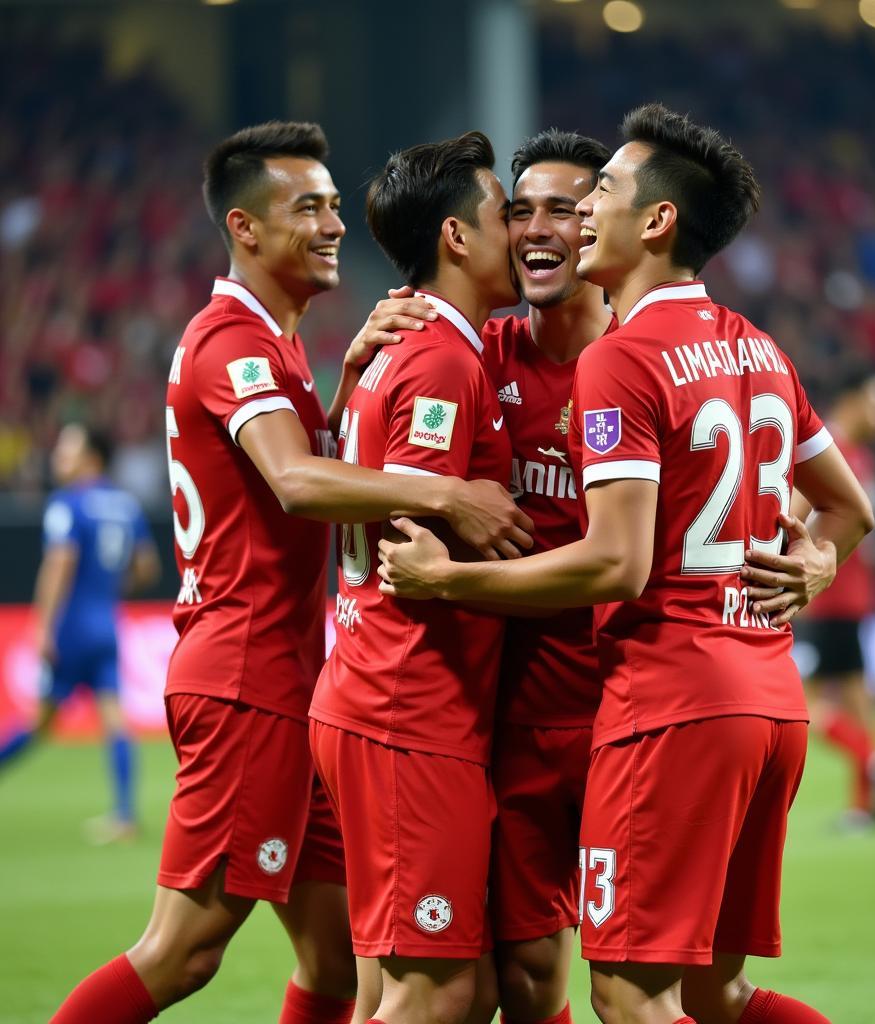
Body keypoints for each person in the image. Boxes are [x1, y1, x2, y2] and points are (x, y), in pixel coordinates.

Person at [377, 103, 875, 1024]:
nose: (544, 227)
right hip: (617, 704)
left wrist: (445, 578)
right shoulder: (743, 347)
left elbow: (617, 561)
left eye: (584, 199)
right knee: (657, 988)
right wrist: (814, 558)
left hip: (656, 700)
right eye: (517, 211)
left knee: (628, 992)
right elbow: (849, 508)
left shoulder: (625, 358)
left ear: (644, 221)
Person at [50, 121, 530, 1024]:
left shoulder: (276, 346)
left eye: (335, 206)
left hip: (300, 682)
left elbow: (303, 472)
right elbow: (299, 484)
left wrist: (345, 385)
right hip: (246, 676)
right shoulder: (231, 339)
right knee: (184, 949)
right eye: (305, 208)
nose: (332, 224)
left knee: (335, 965)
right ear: (244, 228)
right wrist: (451, 498)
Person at [308, 130, 521, 1024]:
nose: (523, 231)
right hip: (407, 707)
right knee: (434, 994)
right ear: (458, 238)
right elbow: (410, 536)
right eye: (505, 214)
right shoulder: (438, 356)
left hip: (381, 697)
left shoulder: (400, 342)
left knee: (387, 988)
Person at [484, 128, 611, 1024]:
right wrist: (350, 375)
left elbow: (808, 498)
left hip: (632, 715)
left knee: (651, 988)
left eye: (560, 210)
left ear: (598, 224)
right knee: (526, 979)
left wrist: (816, 550)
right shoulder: (474, 353)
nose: (535, 227)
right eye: (518, 210)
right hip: (514, 715)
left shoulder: (653, 356)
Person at [0, 422, 159, 844]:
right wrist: (108, 589)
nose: (58, 457)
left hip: (71, 626)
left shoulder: (68, 503)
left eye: (67, 449)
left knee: (38, 722)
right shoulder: (125, 505)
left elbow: (59, 564)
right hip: (106, 622)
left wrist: (42, 625)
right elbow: (147, 567)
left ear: (91, 457)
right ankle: (125, 814)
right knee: (113, 719)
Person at [795, 369, 875, 829]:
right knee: (855, 698)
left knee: (804, 707)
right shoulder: (828, 449)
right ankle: (865, 800)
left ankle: (873, 761)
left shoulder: (852, 454)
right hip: (836, 598)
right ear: (852, 400)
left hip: (832, 600)